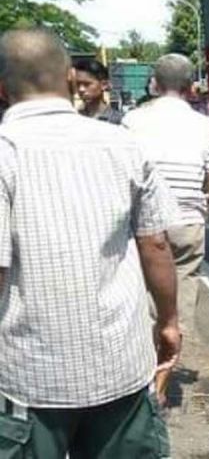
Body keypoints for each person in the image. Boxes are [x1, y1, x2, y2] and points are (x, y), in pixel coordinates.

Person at [0, 28, 180, 457]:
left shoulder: (4, 153)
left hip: (29, 379)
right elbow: (155, 245)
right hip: (119, 368)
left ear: (2, 89)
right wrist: (168, 321)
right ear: (68, 78)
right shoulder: (123, 144)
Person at [123, 54, 209, 285]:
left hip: (144, 224)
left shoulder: (131, 121)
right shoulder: (207, 126)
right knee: (185, 287)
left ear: (155, 85)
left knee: (149, 291)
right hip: (187, 222)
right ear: (191, 87)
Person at [74, 59, 123, 124]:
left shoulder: (118, 121)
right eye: (77, 84)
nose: (81, 89)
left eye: (87, 84)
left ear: (104, 85)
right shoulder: (75, 119)